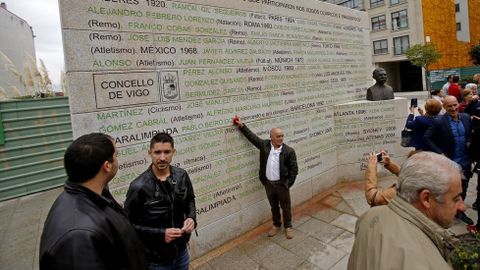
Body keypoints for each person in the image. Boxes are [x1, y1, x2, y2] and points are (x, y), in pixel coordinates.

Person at [39, 133, 146, 270]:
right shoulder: (78, 237)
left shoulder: (91, 196)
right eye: (116, 155)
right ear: (107, 166)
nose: (117, 159)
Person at [348, 152, 465, 270]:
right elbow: (375, 196)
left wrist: (372, 167)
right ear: (425, 198)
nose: (463, 207)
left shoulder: (368, 216)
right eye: (455, 199)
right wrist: (386, 165)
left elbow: (373, 196)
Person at [124, 133, 196, 270]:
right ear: (149, 153)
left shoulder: (182, 176)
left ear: (173, 152)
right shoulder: (138, 186)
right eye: (157, 152)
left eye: (167, 152)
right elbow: (128, 225)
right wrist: (161, 233)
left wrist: (192, 218)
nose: (162, 158)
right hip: (156, 260)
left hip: (181, 253)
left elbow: (190, 200)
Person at [232, 115, 298, 239]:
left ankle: (288, 226)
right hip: (268, 184)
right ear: (271, 137)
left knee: (286, 207)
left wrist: (288, 184)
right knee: (274, 206)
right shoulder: (265, 146)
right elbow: (252, 138)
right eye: (278, 136)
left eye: (282, 136)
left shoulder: (289, 151)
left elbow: (294, 169)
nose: (281, 138)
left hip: (282, 184)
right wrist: (242, 126)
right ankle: (276, 225)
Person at [424, 96, 474, 224]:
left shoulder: (466, 118)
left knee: (464, 187)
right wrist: (440, 153)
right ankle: (446, 211)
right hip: (449, 163)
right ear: (444, 107)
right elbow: (427, 138)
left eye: (455, 105)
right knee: (448, 189)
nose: (453, 108)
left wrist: (470, 142)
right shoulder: (439, 122)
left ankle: (459, 212)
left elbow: (470, 134)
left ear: (458, 104)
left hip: (465, 161)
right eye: (449, 106)